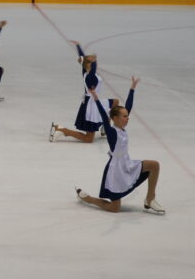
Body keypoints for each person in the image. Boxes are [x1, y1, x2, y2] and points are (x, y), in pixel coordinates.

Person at [76, 77, 165, 214]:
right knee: (115, 208)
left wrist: (132, 88)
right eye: (124, 116)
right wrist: (95, 98)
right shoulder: (112, 133)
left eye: (127, 116)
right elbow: (102, 115)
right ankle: (88, 199)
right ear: (115, 118)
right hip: (116, 171)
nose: (127, 118)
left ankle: (150, 199)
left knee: (154, 165)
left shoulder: (122, 127)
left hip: (127, 164)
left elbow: (128, 106)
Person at [50, 41, 114, 143]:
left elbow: (83, 59)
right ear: (89, 65)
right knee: (88, 139)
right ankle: (63, 130)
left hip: (95, 101)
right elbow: (89, 65)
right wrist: (93, 60)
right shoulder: (90, 77)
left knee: (115, 103)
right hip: (91, 106)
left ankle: (105, 127)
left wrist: (78, 46)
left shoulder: (85, 70)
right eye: (92, 62)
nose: (94, 62)